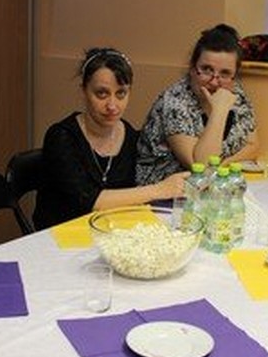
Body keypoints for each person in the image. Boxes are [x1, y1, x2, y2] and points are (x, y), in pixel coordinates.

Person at [33, 47, 186, 229]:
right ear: (83, 91)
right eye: (102, 94)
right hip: (59, 236)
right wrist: (160, 189)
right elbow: (90, 201)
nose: (112, 106)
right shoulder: (61, 137)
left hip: (111, 231)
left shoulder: (130, 135)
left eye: (121, 93)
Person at [136, 24, 259, 185]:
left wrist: (222, 167)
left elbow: (253, 146)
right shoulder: (174, 102)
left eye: (225, 73)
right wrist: (219, 111)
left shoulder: (236, 92)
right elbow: (202, 167)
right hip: (164, 193)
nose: (214, 81)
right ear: (192, 68)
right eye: (207, 69)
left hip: (213, 188)